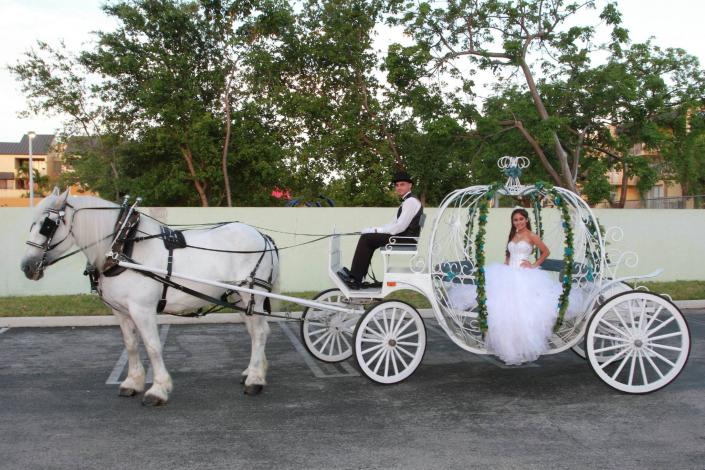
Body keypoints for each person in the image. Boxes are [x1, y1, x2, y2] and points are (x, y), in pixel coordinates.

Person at [447, 208, 583, 365]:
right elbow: (508, 252)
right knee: (502, 310)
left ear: (526, 220)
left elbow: (546, 251)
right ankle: (505, 345)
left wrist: (533, 265)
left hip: (524, 275)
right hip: (507, 272)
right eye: (515, 220)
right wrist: (506, 262)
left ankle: (522, 347)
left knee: (522, 311)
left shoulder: (531, 235)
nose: (518, 222)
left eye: (520, 219)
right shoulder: (513, 234)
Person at [338, 171, 423, 289]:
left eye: (402, 184)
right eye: (397, 185)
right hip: (403, 237)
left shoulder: (411, 202)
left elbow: (399, 227)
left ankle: (355, 278)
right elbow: (392, 224)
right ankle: (358, 276)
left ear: (410, 185)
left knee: (367, 239)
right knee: (369, 237)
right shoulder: (408, 201)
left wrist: (374, 231)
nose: (399, 187)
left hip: (404, 238)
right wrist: (373, 229)